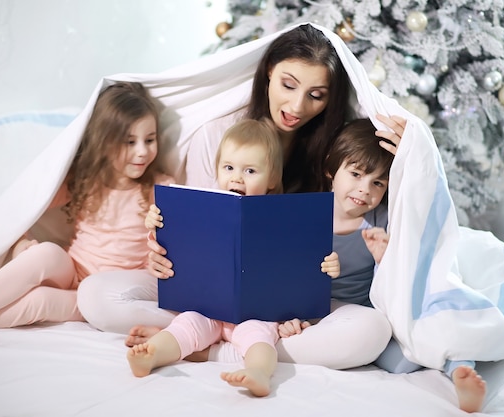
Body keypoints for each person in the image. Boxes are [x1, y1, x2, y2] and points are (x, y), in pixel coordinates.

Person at [77, 23, 393, 371]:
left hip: (275, 307)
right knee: (94, 295)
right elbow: (199, 224)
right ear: (269, 72)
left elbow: (372, 165)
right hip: (204, 297)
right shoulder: (217, 135)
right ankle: (202, 337)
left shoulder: (330, 151)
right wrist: (165, 253)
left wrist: (410, 145)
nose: (297, 105)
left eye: (316, 95)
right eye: (288, 85)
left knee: (372, 330)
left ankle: (209, 350)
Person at [278, 118, 486, 413]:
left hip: (373, 310)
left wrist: (383, 259)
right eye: (356, 174)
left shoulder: (382, 220)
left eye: (377, 183)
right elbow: (287, 275)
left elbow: (406, 267)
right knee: (389, 353)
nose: (365, 189)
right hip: (319, 311)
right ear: (331, 168)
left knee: (414, 349)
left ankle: (460, 370)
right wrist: (295, 315)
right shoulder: (306, 213)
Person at [127, 118, 340, 397]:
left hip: (258, 312)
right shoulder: (206, 208)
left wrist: (329, 265)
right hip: (209, 306)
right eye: (228, 168)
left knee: (260, 339)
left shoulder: (286, 216)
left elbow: (306, 261)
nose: (237, 177)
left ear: (272, 178)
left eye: (250, 170)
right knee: (186, 324)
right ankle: (153, 355)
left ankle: (259, 373)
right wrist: (156, 224)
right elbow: (177, 244)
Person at [0, 81, 174, 340]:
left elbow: (175, 243)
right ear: (104, 143)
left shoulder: (160, 188)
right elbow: (22, 207)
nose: (142, 152)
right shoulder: (85, 179)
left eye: (150, 140)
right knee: (46, 252)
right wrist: (20, 243)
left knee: (39, 301)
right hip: (71, 270)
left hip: (105, 293)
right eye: (129, 142)